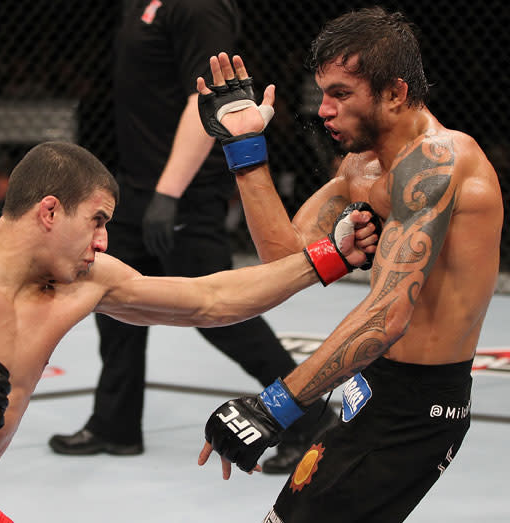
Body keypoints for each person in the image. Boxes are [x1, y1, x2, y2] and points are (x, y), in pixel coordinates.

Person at [0, 141, 378, 522]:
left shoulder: (87, 281)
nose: (103, 241)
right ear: (49, 212)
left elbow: (211, 300)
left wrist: (330, 257)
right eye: (96, 222)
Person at [194, 7, 503, 523]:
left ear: (395, 93)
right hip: (373, 386)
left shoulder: (439, 162)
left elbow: (387, 316)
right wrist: (245, 147)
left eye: (341, 94)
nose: (323, 110)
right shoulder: (361, 165)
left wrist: (274, 406)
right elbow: (284, 259)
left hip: (418, 410)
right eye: (323, 94)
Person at [47, 0, 336, 473]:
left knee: (226, 313)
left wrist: (169, 193)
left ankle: (310, 417)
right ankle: (114, 424)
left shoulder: (200, 8)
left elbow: (206, 98)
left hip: (181, 187)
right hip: (138, 183)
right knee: (112, 301)